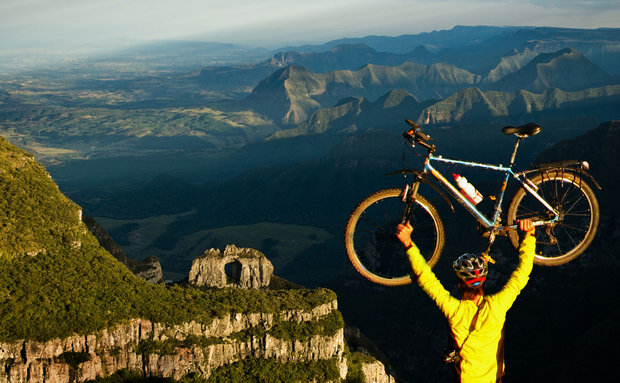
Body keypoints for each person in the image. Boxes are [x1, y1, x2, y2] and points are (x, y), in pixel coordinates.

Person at [396, 219, 536, 383]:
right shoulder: (498, 306)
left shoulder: (454, 310)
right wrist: (529, 234)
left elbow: (426, 278)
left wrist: (408, 242)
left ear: (459, 284)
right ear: (483, 282)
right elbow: (522, 273)